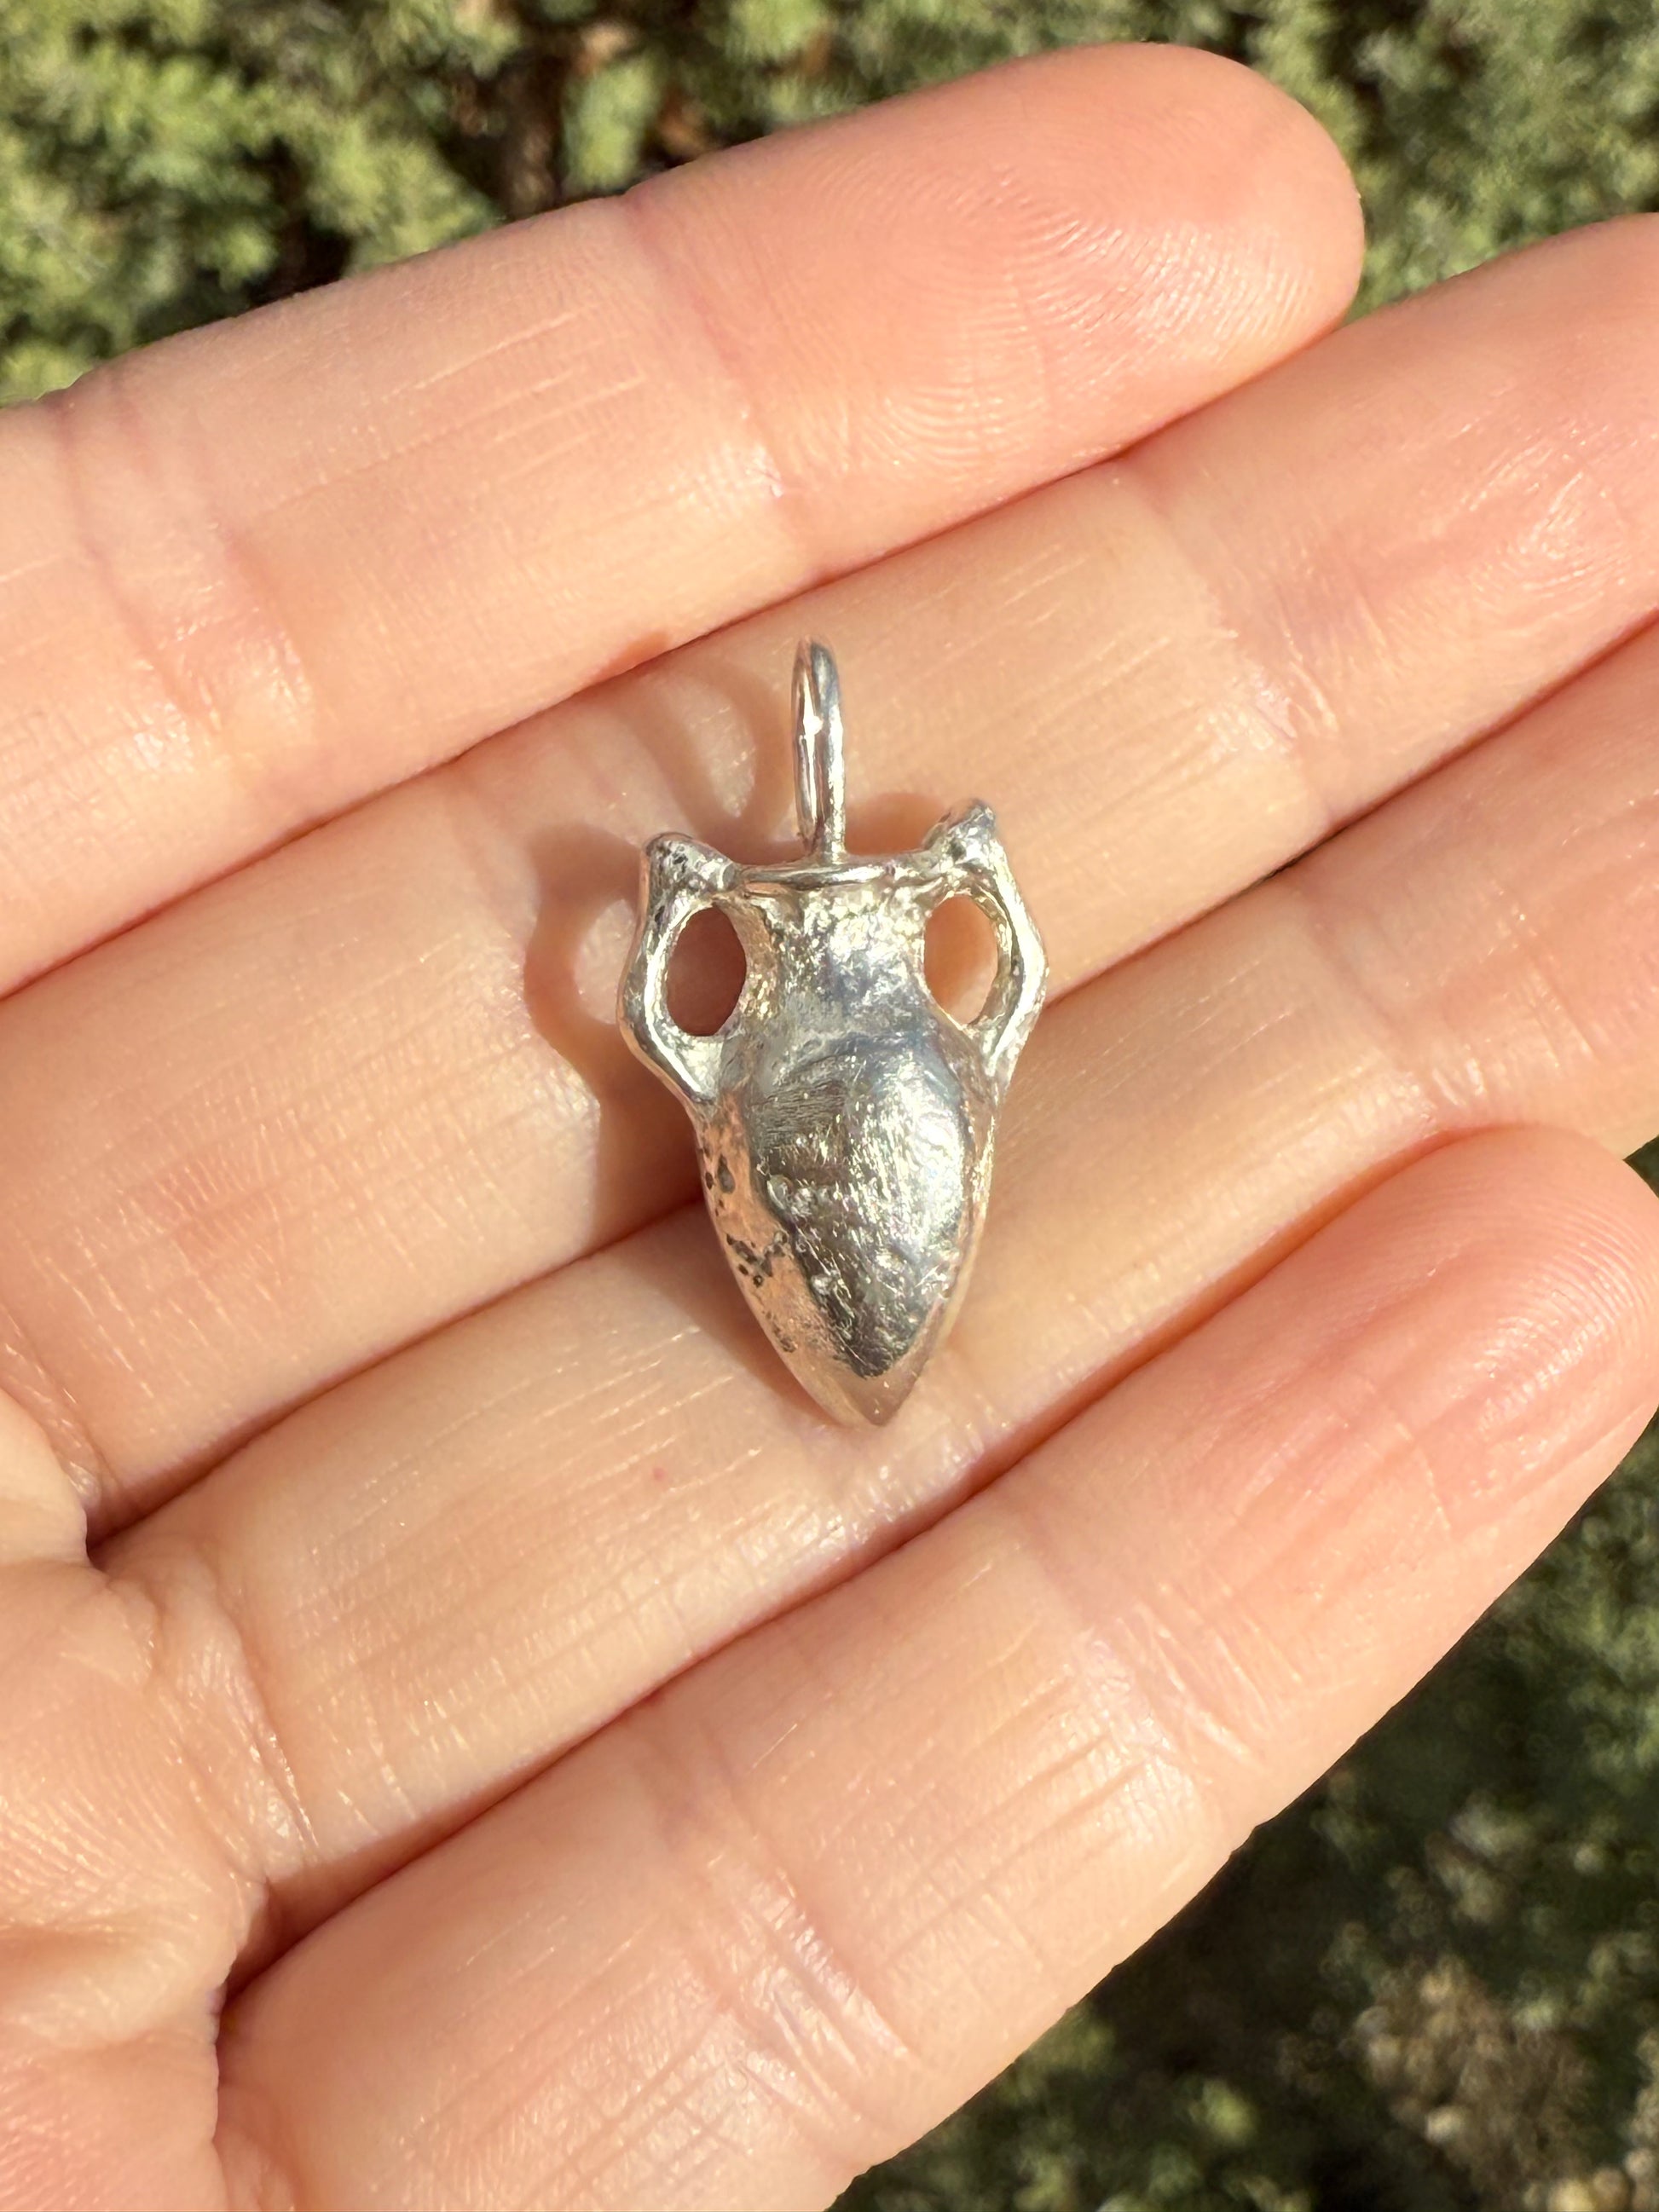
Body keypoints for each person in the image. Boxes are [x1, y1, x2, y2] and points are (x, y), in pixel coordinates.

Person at [1, 38, 1656, 2212]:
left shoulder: (851, 1006)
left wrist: (825, 945)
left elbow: (945, 988)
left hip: (855, 1041)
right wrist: (764, 943)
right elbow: (750, 1012)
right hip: (840, 1038)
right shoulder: (783, 1016)